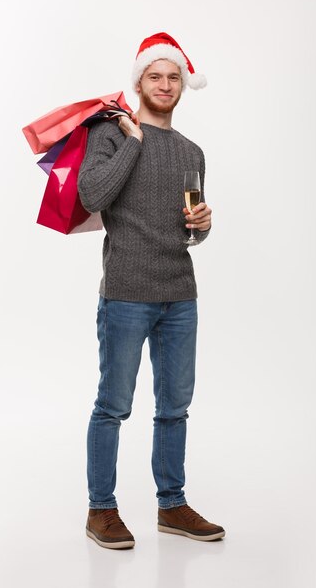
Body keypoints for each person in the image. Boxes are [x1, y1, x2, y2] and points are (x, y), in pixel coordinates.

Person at [78, 32, 225, 549]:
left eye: (173, 77)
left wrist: (202, 223)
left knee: (175, 406)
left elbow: (190, 231)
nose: (165, 84)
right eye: (155, 76)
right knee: (113, 405)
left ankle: (172, 505)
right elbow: (94, 194)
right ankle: (101, 510)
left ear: (183, 86)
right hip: (126, 292)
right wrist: (135, 140)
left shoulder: (192, 151)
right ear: (139, 81)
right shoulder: (112, 134)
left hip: (180, 295)